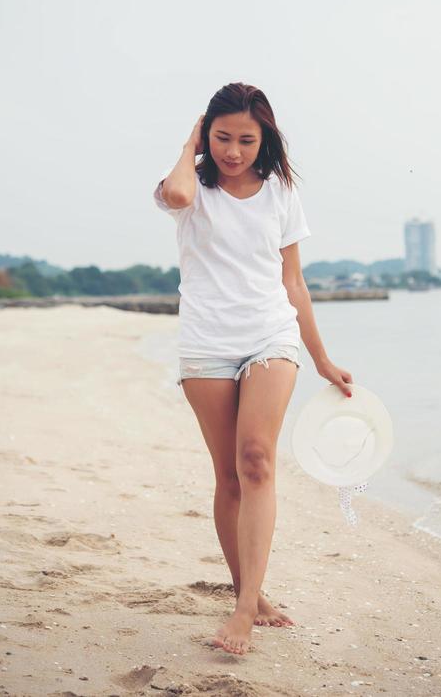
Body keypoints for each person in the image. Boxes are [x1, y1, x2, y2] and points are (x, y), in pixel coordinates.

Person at [153, 81, 353, 656]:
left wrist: (322, 360)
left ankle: (243, 610)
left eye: (246, 139)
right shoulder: (187, 189)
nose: (233, 151)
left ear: (264, 138)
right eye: (221, 137)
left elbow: (294, 282)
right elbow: (178, 195)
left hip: (270, 335)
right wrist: (190, 145)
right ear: (203, 134)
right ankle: (251, 592)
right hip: (207, 345)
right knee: (228, 477)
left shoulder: (281, 192)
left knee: (257, 461)